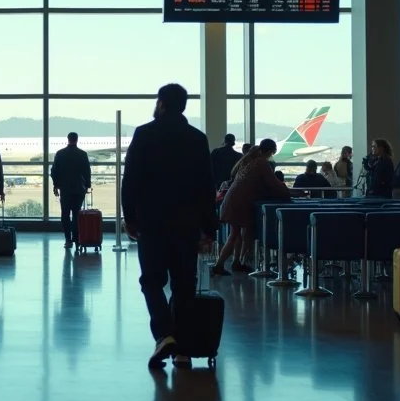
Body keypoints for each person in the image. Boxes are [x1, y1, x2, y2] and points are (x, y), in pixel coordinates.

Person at [121, 84, 217, 369]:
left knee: (151, 281)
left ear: (161, 103)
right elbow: (206, 187)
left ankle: (164, 335)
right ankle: (183, 350)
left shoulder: (144, 134)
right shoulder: (197, 139)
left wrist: (130, 217)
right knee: (184, 285)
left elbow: (131, 180)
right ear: (184, 106)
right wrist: (209, 229)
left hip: (152, 222)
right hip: (187, 224)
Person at [215, 139, 291, 276]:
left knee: (237, 233)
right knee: (237, 234)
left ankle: (235, 262)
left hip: (234, 199)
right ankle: (220, 264)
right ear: (269, 151)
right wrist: (286, 192)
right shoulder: (262, 163)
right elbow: (273, 183)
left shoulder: (249, 161)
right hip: (240, 201)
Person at [50, 132, 92, 248]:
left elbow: (54, 171)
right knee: (77, 214)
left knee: (65, 214)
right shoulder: (83, 154)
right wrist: (87, 186)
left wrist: (56, 185)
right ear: (77, 140)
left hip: (65, 188)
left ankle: (68, 240)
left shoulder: (60, 153)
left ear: (68, 139)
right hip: (79, 188)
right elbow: (87, 171)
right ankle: (77, 239)